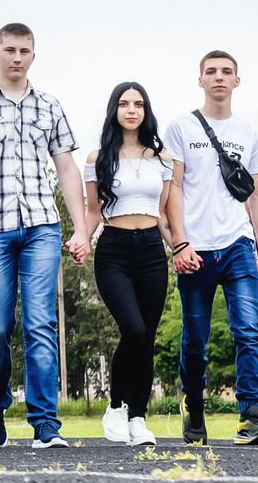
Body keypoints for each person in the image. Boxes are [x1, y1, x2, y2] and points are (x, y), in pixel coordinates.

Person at [0, 24, 92, 449]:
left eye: (24, 51)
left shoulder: (49, 106)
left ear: (33, 56)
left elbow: (66, 168)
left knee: (40, 323)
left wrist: (81, 227)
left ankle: (45, 423)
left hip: (42, 228)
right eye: (9, 49)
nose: (16, 57)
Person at [160, 51, 258, 445]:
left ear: (237, 81)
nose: (219, 78)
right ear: (201, 80)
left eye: (227, 72)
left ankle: (250, 417)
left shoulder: (247, 132)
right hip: (195, 249)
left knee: (248, 331)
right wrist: (179, 243)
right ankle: (193, 408)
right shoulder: (179, 127)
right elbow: (172, 188)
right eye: (211, 72)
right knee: (196, 340)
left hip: (238, 244)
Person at [78, 82, 187, 448]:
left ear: (146, 111)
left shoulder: (164, 159)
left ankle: (138, 417)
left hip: (152, 251)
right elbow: (93, 212)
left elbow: (165, 214)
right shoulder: (98, 159)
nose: (131, 110)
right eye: (124, 104)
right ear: (115, 110)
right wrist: (81, 237)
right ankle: (115, 407)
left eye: (138, 104)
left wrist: (181, 247)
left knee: (148, 339)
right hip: (114, 250)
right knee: (134, 330)